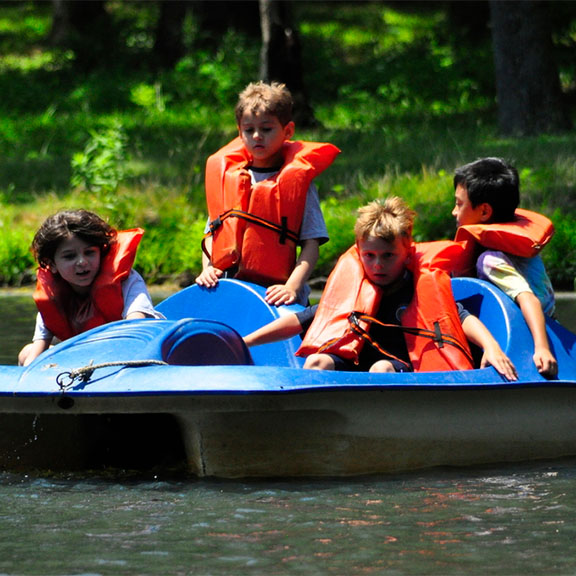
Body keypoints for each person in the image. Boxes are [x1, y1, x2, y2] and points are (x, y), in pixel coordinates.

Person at [246, 197, 517, 380]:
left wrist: (492, 348)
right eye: (370, 256)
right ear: (359, 252)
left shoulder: (417, 287)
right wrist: (245, 341)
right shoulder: (354, 289)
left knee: (381, 367)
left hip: (400, 368)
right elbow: (299, 320)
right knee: (318, 361)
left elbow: (462, 318)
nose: (378, 265)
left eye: (388, 256)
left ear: (407, 251)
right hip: (355, 365)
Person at [196, 81, 340, 306]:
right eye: (249, 129)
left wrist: (292, 287)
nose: (256, 136)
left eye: (266, 129)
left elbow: (311, 245)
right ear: (239, 132)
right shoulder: (228, 179)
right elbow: (212, 234)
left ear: (288, 131)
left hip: (278, 296)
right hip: (230, 289)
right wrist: (208, 269)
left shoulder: (299, 183)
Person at [452, 157, 557, 379]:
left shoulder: (490, 259)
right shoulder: (507, 245)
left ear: (484, 212)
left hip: (530, 334)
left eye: (459, 204)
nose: (454, 212)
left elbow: (528, 298)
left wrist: (542, 348)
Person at [18, 209, 163, 366]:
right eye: (70, 256)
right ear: (52, 264)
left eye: (89, 253)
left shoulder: (126, 281)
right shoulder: (53, 296)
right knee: (26, 353)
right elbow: (34, 356)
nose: (82, 262)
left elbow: (136, 330)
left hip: (139, 351)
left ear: (101, 252)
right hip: (87, 360)